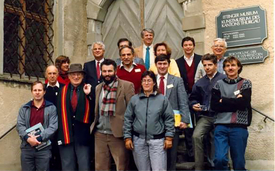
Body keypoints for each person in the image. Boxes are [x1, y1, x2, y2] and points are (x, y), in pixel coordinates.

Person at [124, 71, 175, 171]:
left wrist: (169, 137)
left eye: (149, 81)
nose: (146, 83)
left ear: (154, 83)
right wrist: (127, 137)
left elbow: (169, 119)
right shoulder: (135, 100)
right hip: (138, 141)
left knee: (159, 169)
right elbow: (128, 119)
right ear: (141, 83)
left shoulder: (162, 99)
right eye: (144, 81)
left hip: (157, 141)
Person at [90, 59, 135, 171]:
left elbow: (132, 111)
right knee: (100, 168)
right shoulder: (98, 88)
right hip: (100, 134)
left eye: (110, 71)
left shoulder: (126, 86)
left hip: (118, 135)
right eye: (104, 71)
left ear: (115, 71)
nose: (107, 74)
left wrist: (128, 133)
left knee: (122, 167)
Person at [211, 56, 252, 170]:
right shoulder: (218, 84)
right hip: (221, 125)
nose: (230, 68)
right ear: (224, 68)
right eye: (227, 66)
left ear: (238, 67)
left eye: (233, 65)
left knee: (238, 162)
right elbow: (214, 106)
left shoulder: (245, 83)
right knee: (219, 159)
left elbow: (243, 103)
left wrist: (223, 100)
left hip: (239, 126)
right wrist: (235, 101)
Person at [189, 54, 226, 170]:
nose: (207, 67)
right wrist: (193, 104)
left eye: (210, 65)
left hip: (221, 116)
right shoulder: (199, 82)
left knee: (217, 139)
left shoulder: (224, 79)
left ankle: (219, 166)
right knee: (196, 136)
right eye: (205, 65)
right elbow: (192, 98)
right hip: (205, 116)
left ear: (216, 65)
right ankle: (199, 167)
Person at [155, 54, 190, 171]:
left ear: (168, 65)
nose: (162, 66)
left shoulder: (177, 81)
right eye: (159, 64)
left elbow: (183, 101)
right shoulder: (150, 80)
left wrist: (185, 120)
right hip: (154, 124)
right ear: (156, 65)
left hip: (172, 124)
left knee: (171, 156)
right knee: (157, 156)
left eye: (164, 63)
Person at [56, 63, 93, 171]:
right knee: (67, 165)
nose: (76, 77)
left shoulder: (89, 89)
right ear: (68, 76)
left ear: (82, 76)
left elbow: (94, 109)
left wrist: (89, 95)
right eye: (73, 74)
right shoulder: (61, 91)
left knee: (84, 164)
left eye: (78, 74)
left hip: (83, 133)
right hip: (65, 132)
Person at [17, 81, 58, 171]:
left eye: (40, 90)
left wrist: (38, 138)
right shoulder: (24, 108)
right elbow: (20, 125)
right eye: (35, 90)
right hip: (27, 147)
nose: (37, 92)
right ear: (32, 92)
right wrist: (28, 138)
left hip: (43, 148)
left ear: (44, 92)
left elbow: (53, 127)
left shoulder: (51, 108)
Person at [176, 36, 202, 162]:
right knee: (188, 126)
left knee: (202, 124)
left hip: (199, 96)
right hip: (184, 96)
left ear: (193, 46)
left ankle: (203, 154)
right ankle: (191, 154)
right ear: (182, 47)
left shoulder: (201, 59)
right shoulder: (177, 62)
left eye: (190, 45)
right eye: (185, 45)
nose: (188, 47)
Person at [44, 65, 64, 171]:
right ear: (46, 75)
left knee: (60, 157)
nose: (52, 76)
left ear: (58, 74)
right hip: (46, 129)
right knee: (47, 157)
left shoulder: (64, 88)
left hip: (61, 128)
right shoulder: (42, 89)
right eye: (49, 73)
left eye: (54, 73)